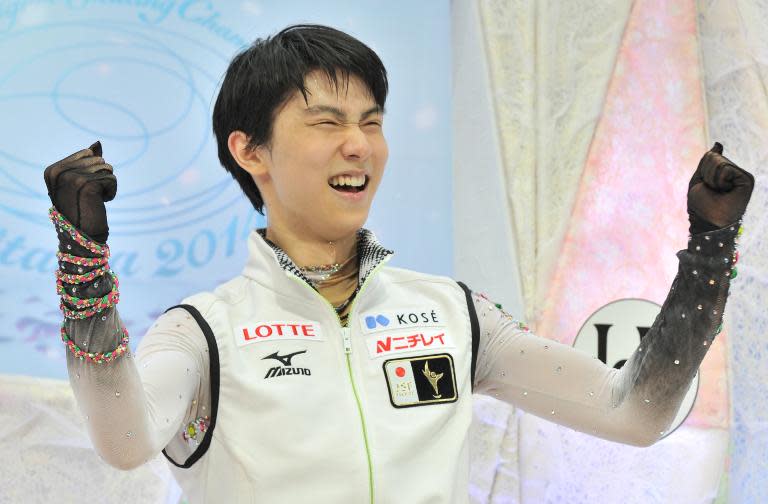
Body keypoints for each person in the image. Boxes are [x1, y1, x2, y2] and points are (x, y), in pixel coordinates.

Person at [43, 24, 754, 504]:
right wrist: (84, 272)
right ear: (249, 150)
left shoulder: (452, 314)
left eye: (371, 121)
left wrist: (708, 257)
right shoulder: (204, 332)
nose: (358, 145)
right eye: (327, 121)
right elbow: (127, 439)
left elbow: (637, 415)